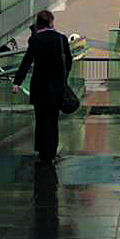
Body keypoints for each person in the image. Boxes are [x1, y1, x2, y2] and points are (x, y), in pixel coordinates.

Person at [11, 10, 72, 165]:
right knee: (52, 120)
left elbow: (26, 62)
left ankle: (42, 151)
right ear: (51, 22)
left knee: (41, 119)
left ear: (38, 23)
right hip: (56, 87)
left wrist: (17, 82)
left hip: (39, 86)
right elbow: (69, 62)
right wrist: (62, 78)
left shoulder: (36, 40)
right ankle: (50, 152)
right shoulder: (61, 39)